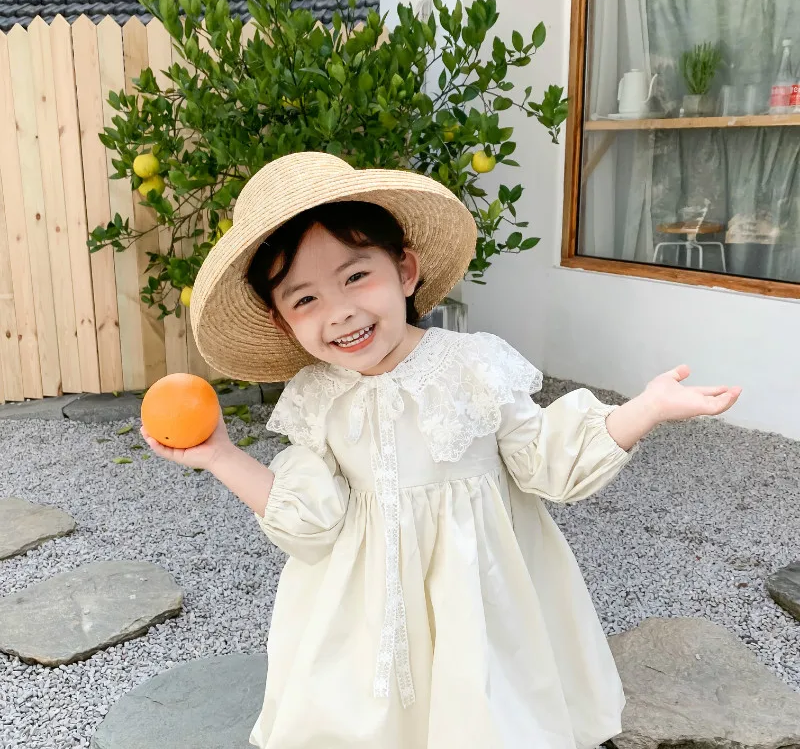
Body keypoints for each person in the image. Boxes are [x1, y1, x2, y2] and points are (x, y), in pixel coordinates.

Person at [141, 151, 741, 749]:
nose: (341, 311)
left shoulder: (472, 366)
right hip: (367, 614)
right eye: (305, 300)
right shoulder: (317, 398)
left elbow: (548, 460)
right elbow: (311, 522)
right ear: (282, 322)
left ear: (405, 271)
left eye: (355, 277)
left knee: (479, 713)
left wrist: (645, 408)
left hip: (476, 598)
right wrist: (221, 455)